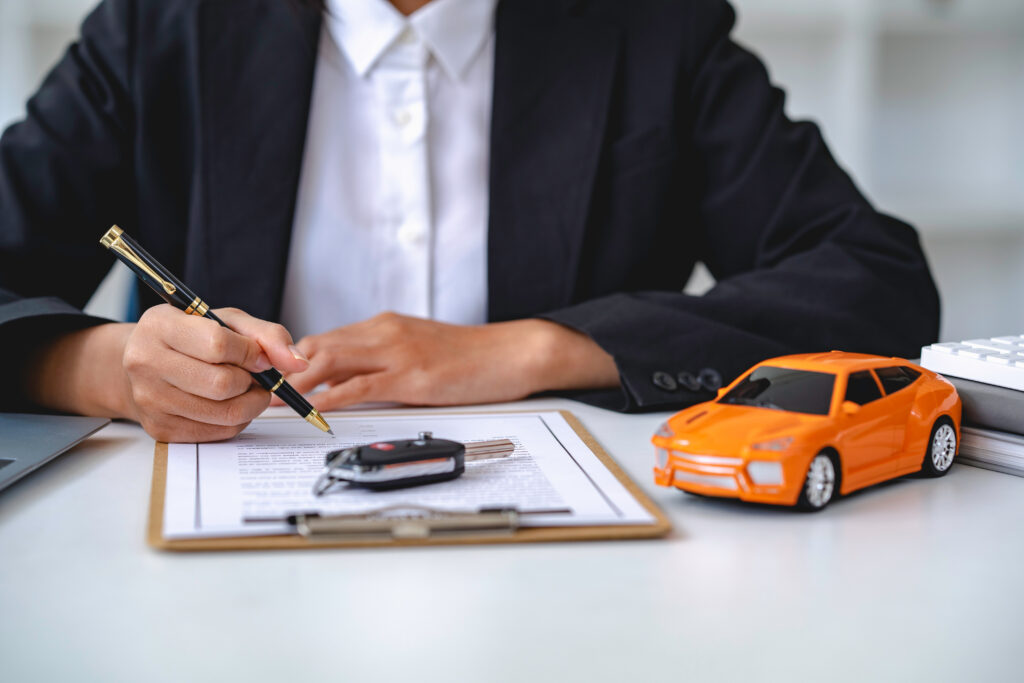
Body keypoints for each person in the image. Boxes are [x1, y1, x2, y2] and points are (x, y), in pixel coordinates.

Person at [0, 0, 939, 443]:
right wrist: (106, 369)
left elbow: (876, 279)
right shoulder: (161, 26)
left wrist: (539, 348)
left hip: (584, 592)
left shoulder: (652, 28)